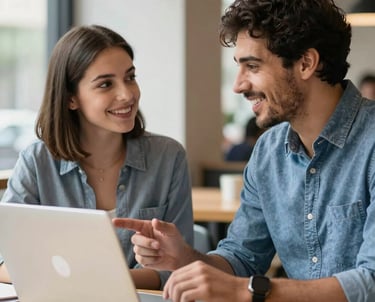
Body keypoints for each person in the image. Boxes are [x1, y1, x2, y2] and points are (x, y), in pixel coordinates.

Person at [113, 0, 375, 301]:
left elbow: (371, 282)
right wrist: (183, 257)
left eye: (252, 66)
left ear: (305, 63)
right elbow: (242, 259)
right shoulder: (269, 151)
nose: (238, 85)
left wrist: (246, 291)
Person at [0, 25, 193, 290]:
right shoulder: (36, 162)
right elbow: (6, 262)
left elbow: (178, 269)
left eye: (130, 77)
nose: (127, 95)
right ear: (71, 99)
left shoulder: (168, 158)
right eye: (105, 84)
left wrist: (77, 278)